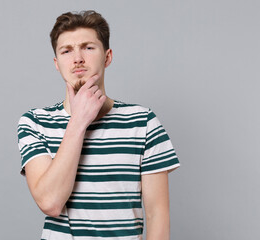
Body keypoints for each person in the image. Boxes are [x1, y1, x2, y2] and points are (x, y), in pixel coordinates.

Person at [17, 10, 180, 240]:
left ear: (108, 56)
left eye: (88, 47)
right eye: (67, 51)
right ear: (57, 63)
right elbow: (50, 202)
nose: (78, 59)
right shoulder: (35, 122)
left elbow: (157, 215)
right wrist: (79, 121)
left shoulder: (143, 122)